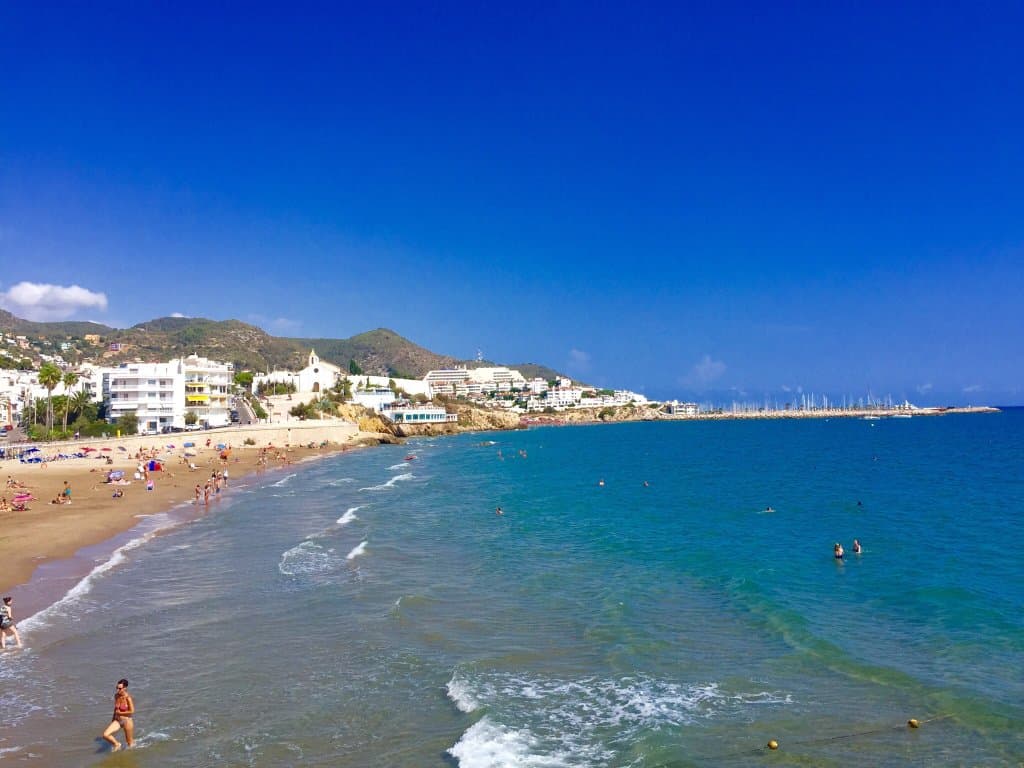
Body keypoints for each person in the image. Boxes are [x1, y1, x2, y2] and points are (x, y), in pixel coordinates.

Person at [101, 678, 135, 750]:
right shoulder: (116, 696)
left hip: (127, 721)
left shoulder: (128, 698)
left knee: (130, 744)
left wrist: (121, 713)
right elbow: (115, 708)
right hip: (118, 720)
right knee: (105, 735)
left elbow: (132, 711)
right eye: (117, 688)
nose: (117, 690)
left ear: (125, 688)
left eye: (120, 688)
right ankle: (117, 744)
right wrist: (113, 718)